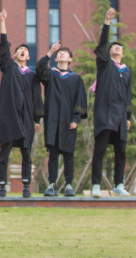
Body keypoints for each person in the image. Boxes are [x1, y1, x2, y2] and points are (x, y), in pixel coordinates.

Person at [0, 9, 43, 198]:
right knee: (5, 151)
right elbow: (3, 46)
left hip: (27, 117)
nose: (22, 51)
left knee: (27, 153)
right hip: (9, 115)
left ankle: (26, 187)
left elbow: (37, 96)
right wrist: (2, 22)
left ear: (29, 57)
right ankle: (2, 186)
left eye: (26, 51)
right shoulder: (9, 68)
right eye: (19, 50)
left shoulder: (32, 75)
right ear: (13, 56)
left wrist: (37, 118)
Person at [36, 41, 87, 197]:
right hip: (52, 120)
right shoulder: (51, 74)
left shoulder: (76, 78)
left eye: (65, 53)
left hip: (68, 121)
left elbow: (80, 100)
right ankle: (52, 185)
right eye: (59, 54)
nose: (62, 54)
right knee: (53, 154)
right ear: (56, 59)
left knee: (68, 155)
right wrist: (49, 53)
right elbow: (39, 71)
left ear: (70, 59)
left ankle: (69, 185)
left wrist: (76, 119)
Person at [91, 7, 132, 198]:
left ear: (123, 53)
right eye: (113, 46)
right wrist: (107, 22)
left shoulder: (126, 71)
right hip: (105, 112)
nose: (116, 47)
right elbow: (102, 44)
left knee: (121, 151)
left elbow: (128, 94)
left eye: (120, 47)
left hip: (121, 115)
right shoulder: (105, 65)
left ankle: (119, 184)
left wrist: (129, 116)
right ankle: (96, 185)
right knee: (100, 149)